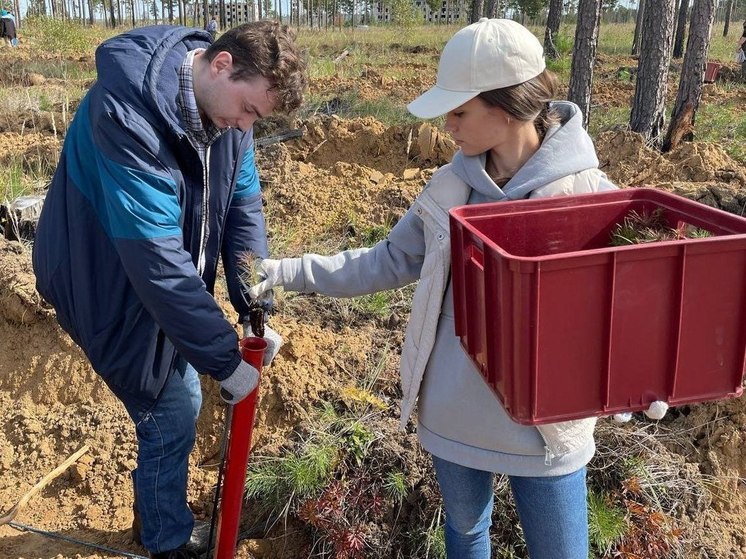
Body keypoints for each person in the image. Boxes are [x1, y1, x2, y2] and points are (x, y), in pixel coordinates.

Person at [249, 18, 616, 559]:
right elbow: (389, 260)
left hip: (545, 429)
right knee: (466, 536)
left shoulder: (587, 197)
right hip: (453, 410)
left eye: (461, 111)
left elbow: (623, 304)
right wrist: (288, 270)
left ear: (508, 106)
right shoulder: (449, 187)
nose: (448, 125)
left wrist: (629, 376)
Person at [32, 21, 307, 559]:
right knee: (171, 404)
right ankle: (167, 542)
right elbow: (155, 261)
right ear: (221, 64)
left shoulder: (228, 120)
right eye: (248, 110)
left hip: (153, 270)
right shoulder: (127, 115)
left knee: (176, 391)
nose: (246, 125)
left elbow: (243, 206)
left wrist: (254, 303)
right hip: (98, 275)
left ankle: (157, 519)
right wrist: (225, 358)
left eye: (257, 118)